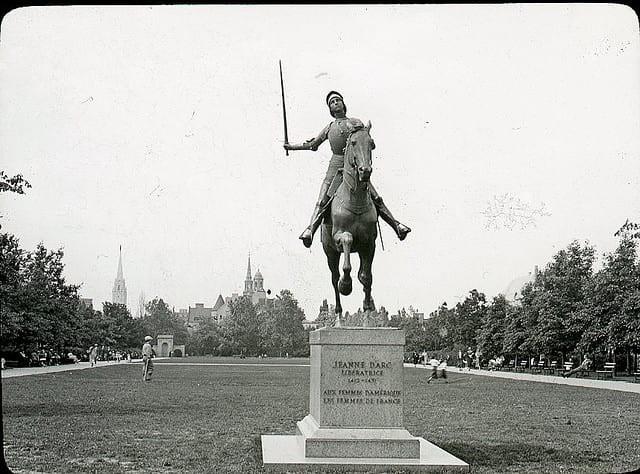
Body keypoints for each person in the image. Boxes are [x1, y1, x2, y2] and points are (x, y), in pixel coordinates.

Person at [284, 91, 411, 248]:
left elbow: (365, 139)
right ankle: (311, 229)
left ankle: (396, 225)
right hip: (335, 167)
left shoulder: (354, 122)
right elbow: (312, 145)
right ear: (330, 108)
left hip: (353, 167)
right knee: (322, 199)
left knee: (375, 197)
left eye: (338, 100)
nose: (335, 103)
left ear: (343, 104)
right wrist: (292, 147)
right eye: (332, 102)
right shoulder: (329, 128)